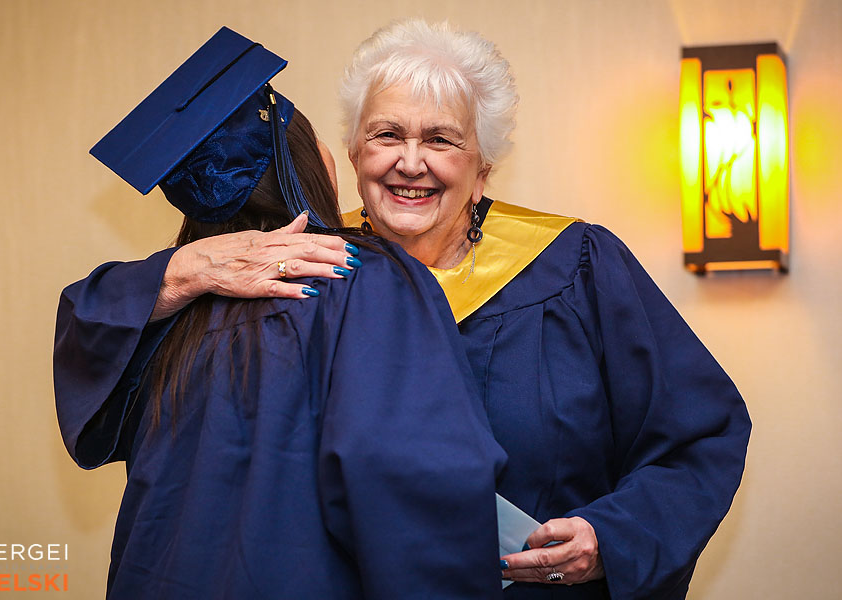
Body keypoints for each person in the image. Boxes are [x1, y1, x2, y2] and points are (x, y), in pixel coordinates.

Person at [56, 20, 752, 599]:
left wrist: (612, 537)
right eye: (387, 135)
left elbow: (697, 435)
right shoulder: (297, 274)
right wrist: (179, 269)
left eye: (441, 140)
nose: (409, 162)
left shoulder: (574, 268)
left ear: (484, 168)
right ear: (352, 153)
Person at [54, 27, 506, 599]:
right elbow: (416, 487)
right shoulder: (357, 280)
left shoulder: (166, 318)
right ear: (313, 163)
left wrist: (175, 272)